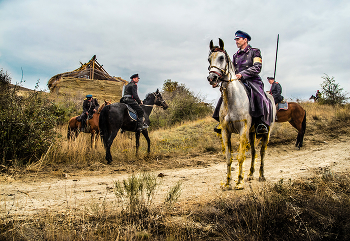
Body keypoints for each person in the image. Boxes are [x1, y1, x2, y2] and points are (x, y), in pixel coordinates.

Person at [213, 30, 272, 135]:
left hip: (253, 80)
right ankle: (221, 120)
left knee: (259, 95)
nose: (236, 41)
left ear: (245, 40)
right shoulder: (235, 55)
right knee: (225, 93)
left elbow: (257, 67)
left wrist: (243, 74)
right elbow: (231, 71)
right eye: (235, 39)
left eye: (238, 39)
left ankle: (260, 123)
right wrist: (219, 80)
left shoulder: (255, 51)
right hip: (238, 81)